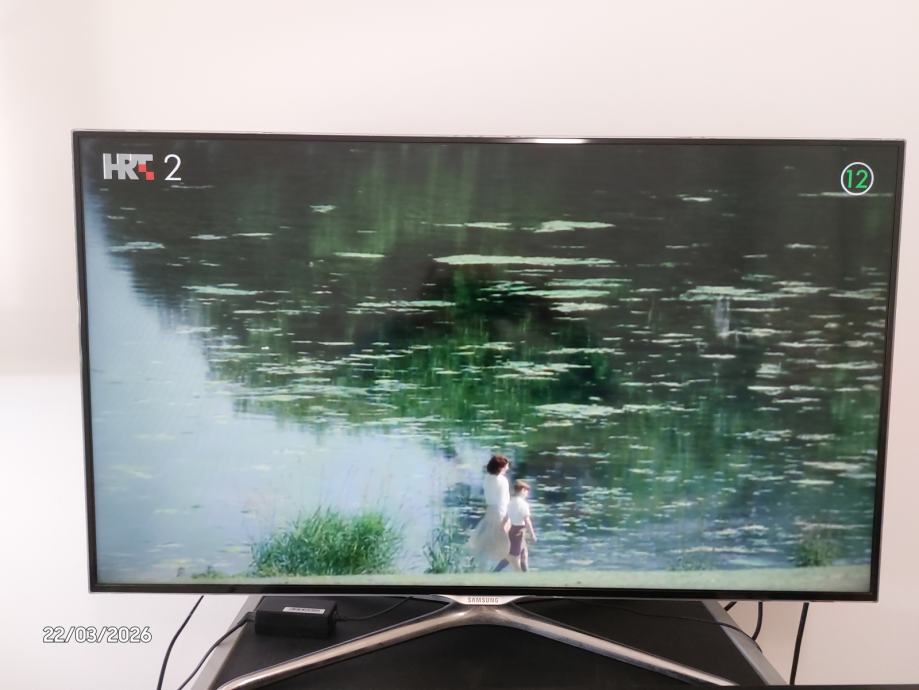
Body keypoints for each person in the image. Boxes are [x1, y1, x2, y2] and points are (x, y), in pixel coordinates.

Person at [467, 454, 511, 569]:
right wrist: (507, 518)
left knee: (486, 541)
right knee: (503, 542)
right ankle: (496, 568)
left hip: (490, 510)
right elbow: (504, 500)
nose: (507, 468)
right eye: (506, 466)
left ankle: (480, 565)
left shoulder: (487, 478)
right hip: (500, 511)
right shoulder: (503, 480)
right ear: (500, 467)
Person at [495, 480, 537, 572]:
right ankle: (495, 571)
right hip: (519, 531)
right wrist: (532, 534)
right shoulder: (523, 504)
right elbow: (527, 520)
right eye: (526, 491)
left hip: (512, 529)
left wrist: (502, 526)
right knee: (512, 555)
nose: (527, 494)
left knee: (523, 553)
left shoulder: (511, 502)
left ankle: (526, 573)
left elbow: (506, 517)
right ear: (522, 490)